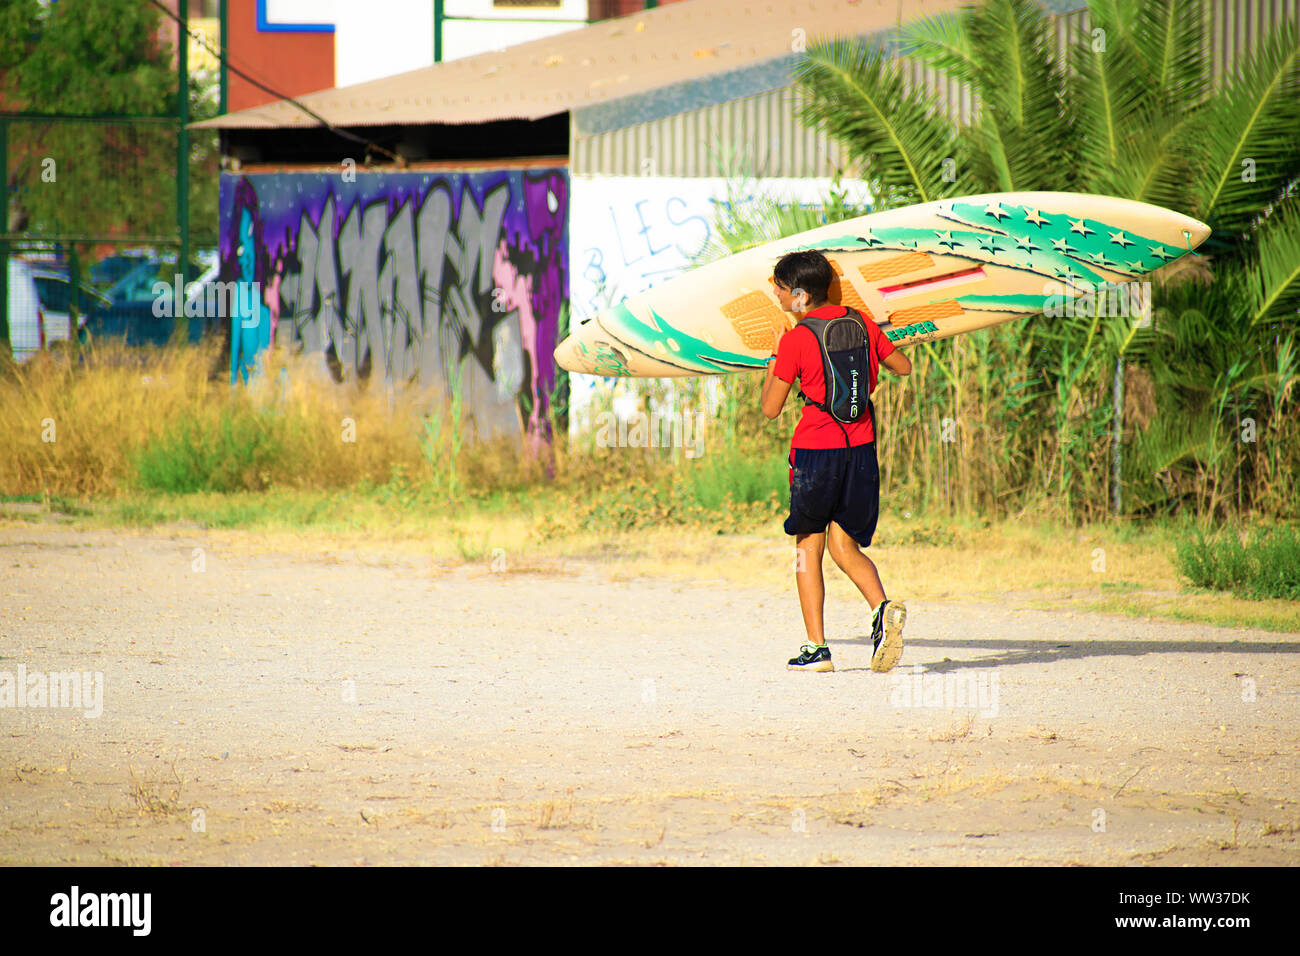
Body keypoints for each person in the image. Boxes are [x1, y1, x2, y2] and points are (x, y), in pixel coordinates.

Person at [760, 250, 912, 673]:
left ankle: (817, 648)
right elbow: (903, 366)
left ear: (802, 297)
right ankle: (882, 610)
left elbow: (770, 407)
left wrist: (774, 360)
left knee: (809, 547)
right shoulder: (861, 323)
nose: (775, 295)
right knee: (845, 546)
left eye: (780, 289)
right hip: (861, 449)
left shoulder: (796, 339)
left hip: (816, 453)